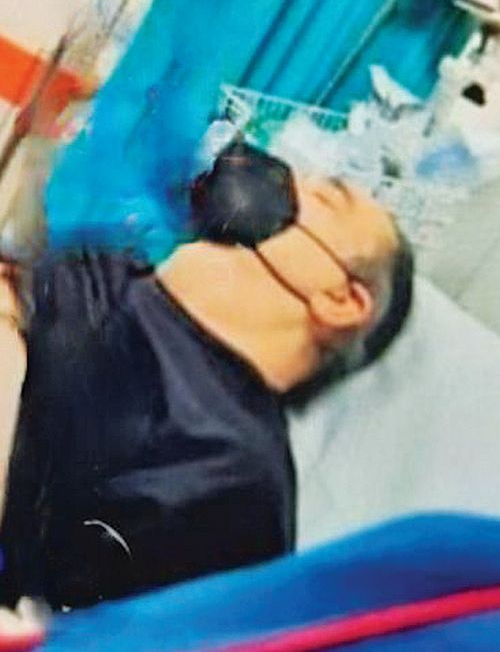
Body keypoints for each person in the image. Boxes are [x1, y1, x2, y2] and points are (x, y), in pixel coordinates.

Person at [0, 140, 413, 610]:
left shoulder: (228, 483)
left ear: (340, 301)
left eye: (326, 197)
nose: (286, 175)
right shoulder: (112, 270)